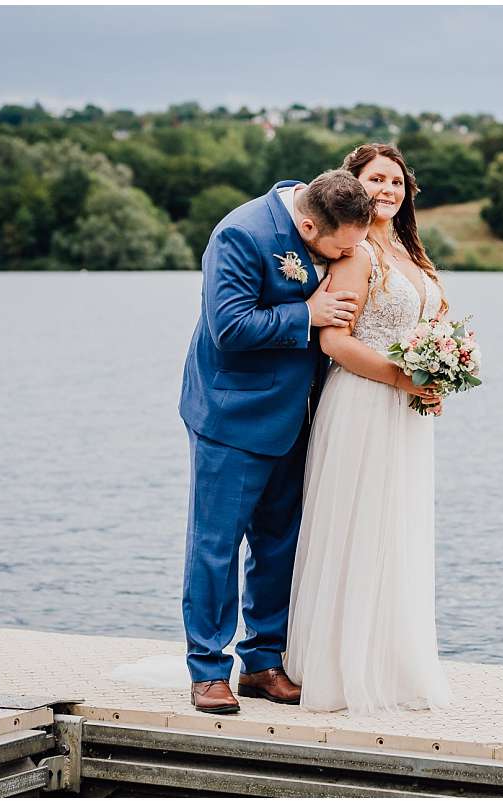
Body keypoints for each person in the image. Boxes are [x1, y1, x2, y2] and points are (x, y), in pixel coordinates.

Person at [178, 170, 376, 714]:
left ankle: (263, 662)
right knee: (216, 547)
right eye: (343, 247)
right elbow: (229, 327)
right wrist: (305, 314)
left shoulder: (326, 216)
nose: (351, 254)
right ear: (308, 224)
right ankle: (208, 670)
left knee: (279, 544)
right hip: (233, 416)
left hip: (298, 415)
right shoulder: (241, 235)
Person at [285, 144, 453, 713]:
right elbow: (334, 341)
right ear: (353, 185)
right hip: (362, 402)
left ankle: (392, 660)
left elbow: (430, 327)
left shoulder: (408, 252)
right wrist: (401, 378)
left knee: (397, 529)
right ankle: (342, 665)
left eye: (397, 183)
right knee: (357, 527)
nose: (388, 190)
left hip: (405, 415)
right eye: (377, 179)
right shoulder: (355, 253)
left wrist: (440, 373)